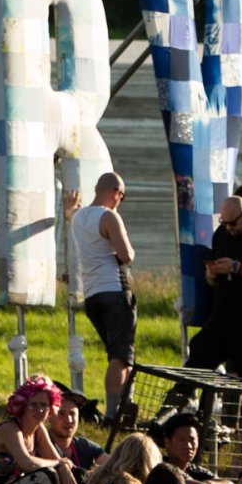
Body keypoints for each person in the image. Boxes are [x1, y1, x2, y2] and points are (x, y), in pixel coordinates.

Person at [184, 191, 242, 381]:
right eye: (224, 223)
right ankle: (173, 406)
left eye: (233, 223)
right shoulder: (222, 234)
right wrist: (212, 273)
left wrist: (237, 268)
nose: (229, 228)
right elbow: (212, 276)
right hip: (221, 319)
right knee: (193, 369)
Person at [66, 173, 137, 414]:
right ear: (116, 191)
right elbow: (126, 256)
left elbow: (70, 214)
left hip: (92, 295)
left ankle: (125, 407)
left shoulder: (78, 218)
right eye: (122, 196)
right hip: (115, 290)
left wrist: (69, 208)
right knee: (120, 357)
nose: (120, 201)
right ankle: (113, 413)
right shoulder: (109, 217)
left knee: (120, 354)